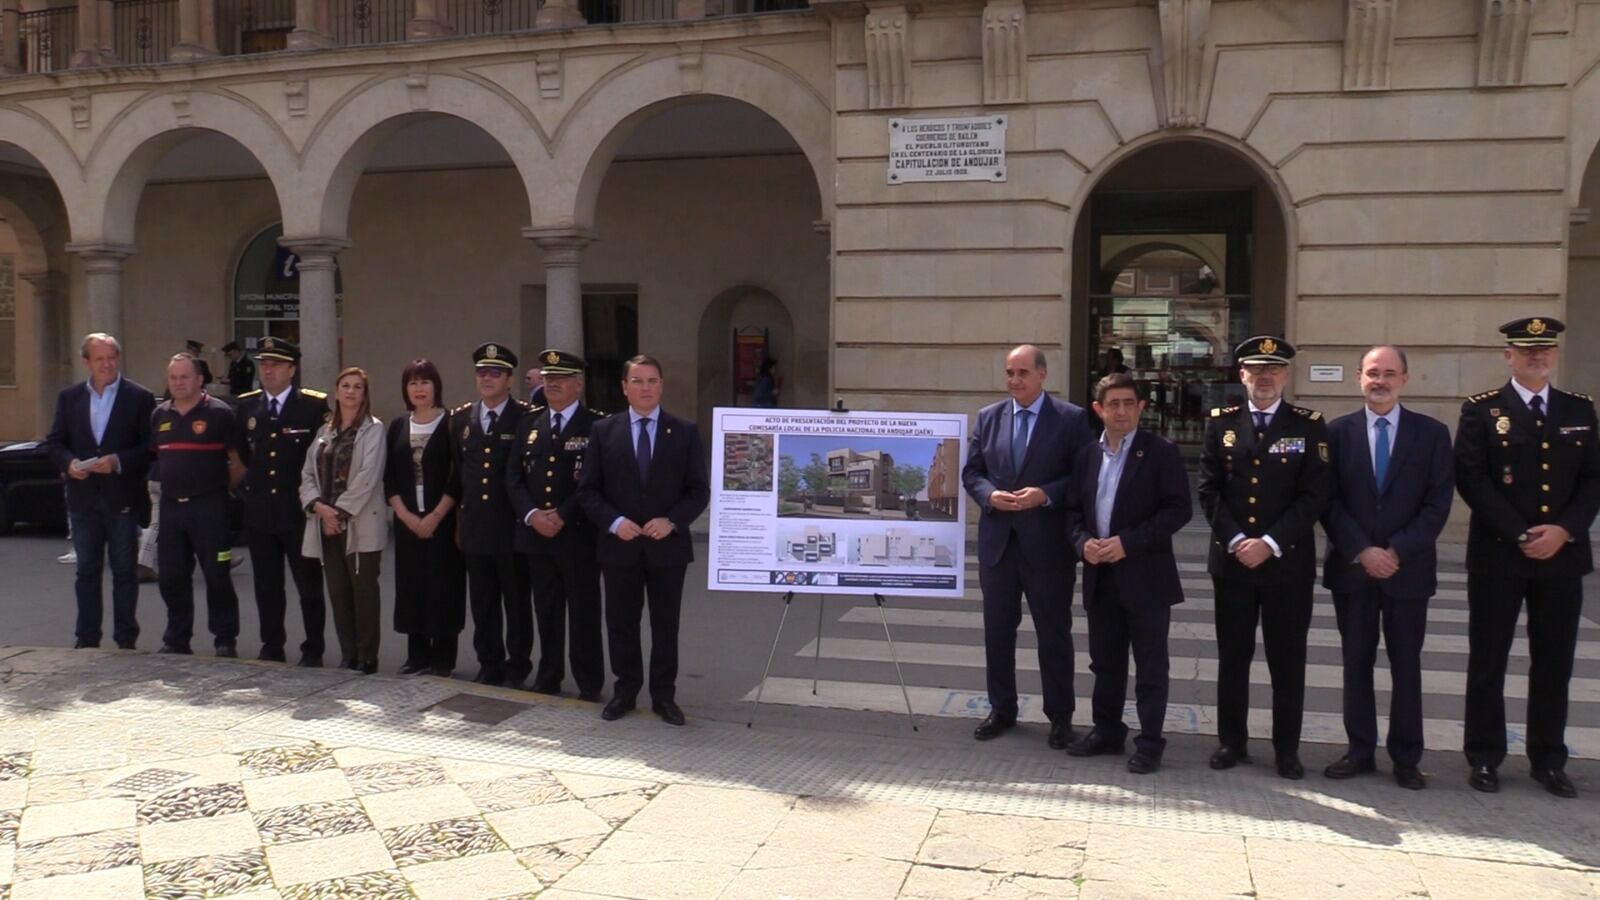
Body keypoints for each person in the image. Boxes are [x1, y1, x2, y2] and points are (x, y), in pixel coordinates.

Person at [1457, 317, 1600, 799]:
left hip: (1561, 557)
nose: (1536, 357)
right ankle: (1483, 756)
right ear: (1509, 357)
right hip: (1500, 555)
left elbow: (1592, 480)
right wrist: (1521, 532)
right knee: (1489, 659)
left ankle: (1548, 759)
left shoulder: (1578, 409)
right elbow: (1472, 479)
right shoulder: (1482, 410)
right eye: (1526, 350)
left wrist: (1563, 530)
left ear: (1555, 356)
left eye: (1544, 350)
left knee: (1554, 661)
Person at [1198, 335, 1331, 780]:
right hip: (1233, 563)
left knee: (1287, 661)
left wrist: (1270, 543)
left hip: (1286, 564)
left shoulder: (1309, 425)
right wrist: (1238, 541)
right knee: (1233, 657)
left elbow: (1314, 495)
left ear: (1286, 375)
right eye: (1256, 370)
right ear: (1242, 375)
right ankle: (1231, 741)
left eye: (1273, 370)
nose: (1265, 377)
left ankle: (1286, 749)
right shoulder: (1221, 422)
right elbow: (1209, 490)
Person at [1321, 346, 1453, 791]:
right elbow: (1328, 500)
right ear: (1358, 377)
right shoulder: (1336, 434)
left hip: (1407, 570)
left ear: (1405, 380)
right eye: (1373, 373)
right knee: (1355, 662)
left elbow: (1438, 503)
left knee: (1405, 665)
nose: (1380, 381)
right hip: (1353, 570)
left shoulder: (1432, 434)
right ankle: (1359, 750)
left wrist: (1395, 550)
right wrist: (1362, 550)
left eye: (1389, 374)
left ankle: (1406, 757)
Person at [960, 344, 1092, 748]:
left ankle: (1060, 716)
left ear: (1042, 375)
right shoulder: (989, 417)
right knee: (998, 633)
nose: (1014, 381)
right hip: (999, 545)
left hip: (1048, 548)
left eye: (1022, 373)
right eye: (1009, 373)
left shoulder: (1070, 420)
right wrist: (988, 496)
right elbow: (972, 471)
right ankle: (1002, 709)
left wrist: (1046, 495)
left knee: (1053, 634)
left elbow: (1084, 476)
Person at [1064, 373, 1191, 773]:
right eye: (1112, 404)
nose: (1120, 411)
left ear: (1140, 408)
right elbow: (1072, 511)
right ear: (1098, 410)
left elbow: (1177, 510)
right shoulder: (1087, 455)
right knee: (1105, 662)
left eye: (1128, 403)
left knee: (1151, 665)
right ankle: (1107, 730)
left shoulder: (1161, 452)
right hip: (1100, 575)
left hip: (1146, 577)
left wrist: (1129, 543)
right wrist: (1082, 541)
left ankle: (1150, 742)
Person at [577, 354, 709, 725]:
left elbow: (698, 491)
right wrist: (614, 521)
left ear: (661, 385)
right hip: (619, 546)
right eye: (637, 381)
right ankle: (625, 692)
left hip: (667, 548)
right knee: (621, 623)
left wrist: (673, 521)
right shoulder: (605, 431)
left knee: (665, 625)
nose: (645, 388)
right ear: (624, 387)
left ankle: (663, 696)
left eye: (652, 381)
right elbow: (588, 491)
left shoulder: (683, 432)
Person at [44, 333, 156, 650]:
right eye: (99, 359)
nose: (106, 364)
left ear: (118, 359)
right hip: (83, 499)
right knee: (87, 572)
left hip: (121, 498)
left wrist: (119, 461)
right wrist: (70, 463)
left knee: (124, 572)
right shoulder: (70, 398)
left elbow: (150, 446)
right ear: (86, 363)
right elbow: (55, 442)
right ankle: (87, 638)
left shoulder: (138, 396)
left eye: (111, 358)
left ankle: (125, 638)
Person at [508, 349, 606, 701]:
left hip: (577, 535)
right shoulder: (529, 423)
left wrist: (562, 514)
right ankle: (548, 675)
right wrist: (533, 515)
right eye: (548, 379)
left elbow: (593, 482)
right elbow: (513, 478)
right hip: (537, 535)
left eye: (560, 378)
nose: (552, 384)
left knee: (583, 611)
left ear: (578, 384)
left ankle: (589, 681)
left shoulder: (597, 425)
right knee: (546, 609)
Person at [236, 338, 330, 666]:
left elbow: (322, 459)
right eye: (263, 363)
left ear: (292, 369)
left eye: (275, 364)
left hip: (297, 512)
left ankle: (313, 648)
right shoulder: (247, 406)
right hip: (260, 512)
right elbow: (240, 457)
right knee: (267, 585)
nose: (268, 369)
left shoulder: (313, 407)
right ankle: (272, 645)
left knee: (308, 585)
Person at [449, 342, 534, 686]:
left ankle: (517, 665)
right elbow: (459, 474)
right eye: (482, 372)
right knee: (482, 603)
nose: (487, 378)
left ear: (510, 379)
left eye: (495, 373)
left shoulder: (527, 417)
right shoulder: (461, 419)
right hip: (476, 527)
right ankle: (489, 662)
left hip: (511, 528)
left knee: (515, 603)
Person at [151, 353, 245, 656]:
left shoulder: (220, 414)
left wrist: (218, 491)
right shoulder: (160, 415)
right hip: (171, 508)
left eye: (185, 377)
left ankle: (225, 639)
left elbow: (238, 463)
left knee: (217, 575)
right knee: (172, 576)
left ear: (200, 379)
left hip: (210, 508)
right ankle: (177, 639)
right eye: (173, 378)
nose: (178, 383)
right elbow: (158, 459)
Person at [300, 366, 388, 674]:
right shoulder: (325, 431)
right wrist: (319, 509)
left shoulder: (373, 429)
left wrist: (338, 512)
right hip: (326, 524)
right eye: (345, 386)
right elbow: (307, 474)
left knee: (363, 591)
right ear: (336, 392)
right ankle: (348, 653)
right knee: (338, 592)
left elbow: (368, 477)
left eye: (357, 387)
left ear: (365, 394)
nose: (350, 392)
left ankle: (367, 656)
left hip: (359, 522)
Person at [384, 359, 466, 677]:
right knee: (412, 587)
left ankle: (443, 658)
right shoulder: (398, 426)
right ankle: (416, 655)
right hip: (407, 523)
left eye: (425, 382)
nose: (419, 389)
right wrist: (405, 515)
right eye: (413, 383)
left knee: (443, 587)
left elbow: (457, 477)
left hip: (442, 523)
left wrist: (434, 516)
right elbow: (389, 477)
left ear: (436, 386)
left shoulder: (452, 423)